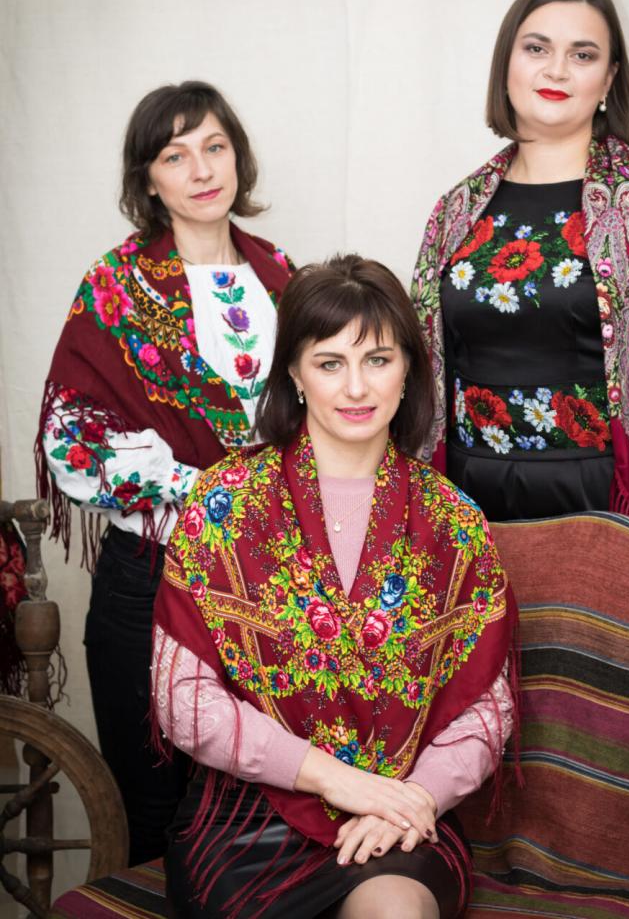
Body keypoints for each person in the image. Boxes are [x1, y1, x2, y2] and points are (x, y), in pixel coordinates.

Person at [151, 254, 516, 919]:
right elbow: (183, 701)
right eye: (329, 363)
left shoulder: (455, 522)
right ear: (294, 373)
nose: (356, 387)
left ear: (408, 371)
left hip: (399, 813)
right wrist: (341, 782)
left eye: (377, 360)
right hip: (249, 819)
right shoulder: (224, 503)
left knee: (395, 910)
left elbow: (486, 711)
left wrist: (417, 797)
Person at [36, 80, 293, 864]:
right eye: (175, 157)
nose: (201, 170)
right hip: (149, 579)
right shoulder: (116, 287)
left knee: (258, 804)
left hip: (267, 578)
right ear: (148, 180)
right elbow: (70, 442)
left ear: (238, 158)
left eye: (215, 147)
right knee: (152, 808)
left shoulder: (282, 276)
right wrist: (201, 487)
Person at [411, 0, 629, 528]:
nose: (556, 70)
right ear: (506, 64)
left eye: (582, 55)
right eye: (537, 49)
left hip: (602, 502)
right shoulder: (456, 212)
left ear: (608, 80)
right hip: (466, 498)